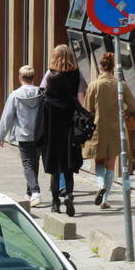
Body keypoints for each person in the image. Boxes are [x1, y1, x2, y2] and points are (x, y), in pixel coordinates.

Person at [83, 52, 135, 210]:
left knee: (99, 161)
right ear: (113, 67)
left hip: (97, 129)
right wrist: (122, 110)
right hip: (115, 129)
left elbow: (88, 109)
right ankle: (104, 199)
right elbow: (132, 105)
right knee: (111, 164)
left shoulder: (94, 85)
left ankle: (100, 186)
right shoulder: (120, 85)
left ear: (100, 66)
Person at [36, 44, 83, 216]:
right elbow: (80, 94)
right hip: (69, 127)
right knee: (68, 169)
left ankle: (55, 203)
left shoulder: (50, 74)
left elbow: (41, 91)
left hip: (52, 127)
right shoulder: (76, 74)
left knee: (55, 171)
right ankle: (69, 195)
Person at [0, 65, 45, 207]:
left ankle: (35, 191)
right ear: (33, 78)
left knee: (27, 164)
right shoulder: (41, 93)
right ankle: (29, 192)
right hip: (38, 134)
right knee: (34, 162)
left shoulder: (15, 95)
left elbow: (7, 117)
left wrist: (1, 136)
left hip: (23, 134)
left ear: (20, 78)